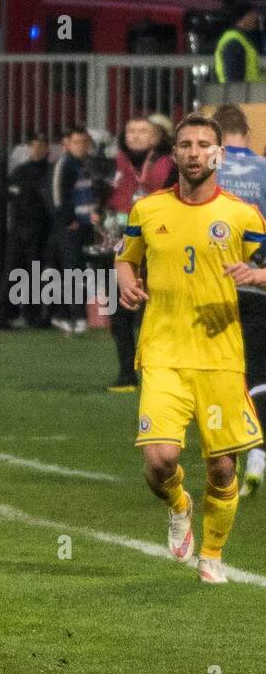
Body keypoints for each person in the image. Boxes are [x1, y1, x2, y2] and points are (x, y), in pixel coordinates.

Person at [114, 114, 266, 584]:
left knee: (223, 466)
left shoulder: (244, 215)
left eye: (204, 144)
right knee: (160, 460)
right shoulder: (148, 210)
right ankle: (179, 502)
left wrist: (257, 275)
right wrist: (126, 283)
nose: (194, 152)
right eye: (186, 144)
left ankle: (213, 556)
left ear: (219, 154)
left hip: (220, 356)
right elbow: (125, 257)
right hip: (161, 352)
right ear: (174, 154)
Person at [206, 104, 266, 498]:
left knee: (220, 373)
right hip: (259, 281)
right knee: (260, 369)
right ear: (247, 131)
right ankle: (259, 453)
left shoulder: (206, 170)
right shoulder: (263, 168)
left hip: (214, 286)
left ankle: (229, 455)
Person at [105, 117, 177, 393]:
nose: (135, 135)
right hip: (119, 244)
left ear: (156, 137)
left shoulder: (169, 164)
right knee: (118, 310)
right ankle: (126, 374)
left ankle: (155, 371)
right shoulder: (115, 163)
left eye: (143, 131)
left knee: (153, 312)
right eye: (131, 131)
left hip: (158, 246)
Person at [47, 126, 100, 336]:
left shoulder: (84, 164)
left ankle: (66, 315)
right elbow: (56, 195)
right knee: (73, 270)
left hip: (85, 225)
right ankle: (75, 316)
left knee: (78, 270)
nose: (82, 146)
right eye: (77, 142)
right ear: (66, 144)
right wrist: (68, 220)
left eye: (85, 142)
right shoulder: (64, 164)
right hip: (70, 227)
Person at [3, 133, 55, 328]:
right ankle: (6, 314)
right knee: (12, 270)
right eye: (33, 145)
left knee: (35, 272)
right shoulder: (20, 170)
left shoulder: (50, 170)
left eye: (41, 145)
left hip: (41, 229)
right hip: (18, 227)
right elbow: (9, 192)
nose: (37, 149)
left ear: (47, 148)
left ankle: (33, 314)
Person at [214, 0, 262, 83]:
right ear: (243, 18)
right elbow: (234, 81)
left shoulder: (240, 39)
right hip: (244, 94)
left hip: (250, 92)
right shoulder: (234, 43)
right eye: (252, 14)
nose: (256, 17)